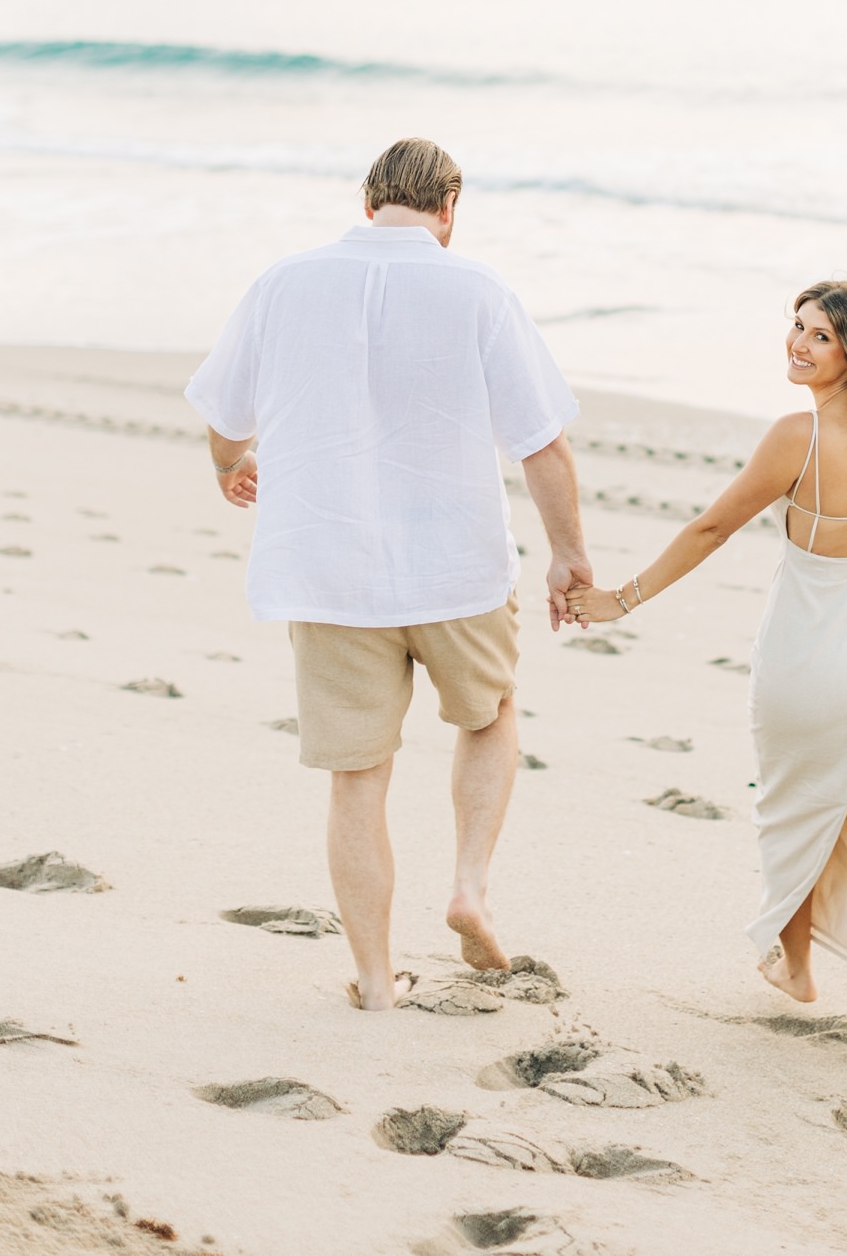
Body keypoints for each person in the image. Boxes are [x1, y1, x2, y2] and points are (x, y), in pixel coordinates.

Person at [184, 136, 590, 1010]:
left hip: (328, 572)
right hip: (458, 571)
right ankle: (470, 886)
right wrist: (569, 556)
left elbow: (225, 412)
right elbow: (541, 442)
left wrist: (230, 465)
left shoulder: (285, 281)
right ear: (449, 210)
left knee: (357, 777)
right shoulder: (478, 289)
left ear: (367, 202)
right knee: (489, 717)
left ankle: (374, 982)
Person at [566, 279, 847, 1067]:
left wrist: (620, 600)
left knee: (795, 814)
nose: (799, 344)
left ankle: (799, 967)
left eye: (821, 336)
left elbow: (713, 527)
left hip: (806, 663)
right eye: (796, 327)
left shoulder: (794, 437)